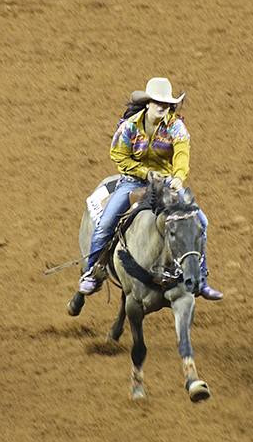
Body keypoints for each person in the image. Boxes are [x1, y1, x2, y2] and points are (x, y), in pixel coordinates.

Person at [79, 77, 223, 300]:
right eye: (158, 103)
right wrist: (144, 173)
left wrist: (178, 176)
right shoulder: (128, 127)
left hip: (166, 182)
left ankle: (201, 279)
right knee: (106, 223)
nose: (162, 108)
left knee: (200, 222)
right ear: (147, 103)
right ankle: (92, 272)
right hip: (133, 181)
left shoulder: (176, 127)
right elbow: (118, 156)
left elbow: (182, 153)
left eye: (166, 105)